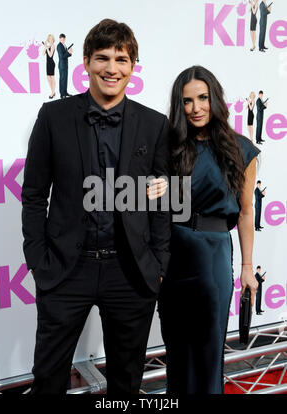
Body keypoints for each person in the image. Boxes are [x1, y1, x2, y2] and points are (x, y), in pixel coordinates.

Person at [21, 19, 171, 394]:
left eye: (121, 59)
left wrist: (160, 264)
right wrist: (39, 259)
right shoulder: (54, 118)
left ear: (133, 66)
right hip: (66, 269)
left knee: (125, 380)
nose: (111, 68)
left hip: (131, 271)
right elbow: (34, 194)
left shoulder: (154, 125)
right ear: (85, 62)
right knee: (48, 377)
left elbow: (163, 200)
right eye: (102, 57)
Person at [147, 65, 259, 394]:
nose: (195, 108)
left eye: (202, 98)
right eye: (187, 101)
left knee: (209, 352)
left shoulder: (241, 149)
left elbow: (246, 210)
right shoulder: (168, 147)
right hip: (173, 253)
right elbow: (154, 207)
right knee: (177, 351)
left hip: (213, 255)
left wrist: (247, 267)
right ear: (178, 106)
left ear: (215, 99)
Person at [57, 33, 72, 99]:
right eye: (62, 39)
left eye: (64, 39)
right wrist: (68, 52)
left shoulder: (64, 45)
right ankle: (62, 94)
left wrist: (69, 53)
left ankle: (65, 92)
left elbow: (65, 55)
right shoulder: (59, 46)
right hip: (62, 65)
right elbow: (62, 56)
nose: (63, 40)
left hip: (65, 65)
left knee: (65, 79)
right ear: (60, 39)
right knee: (62, 79)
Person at [43, 34, 56, 99]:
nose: (50, 40)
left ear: (53, 40)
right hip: (47, 63)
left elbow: (50, 55)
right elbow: (43, 54)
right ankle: (52, 91)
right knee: (48, 78)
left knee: (52, 78)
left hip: (51, 63)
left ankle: (53, 92)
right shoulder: (48, 46)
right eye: (49, 39)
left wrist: (47, 48)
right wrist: (45, 47)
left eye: (51, 39)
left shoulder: (53, 46)